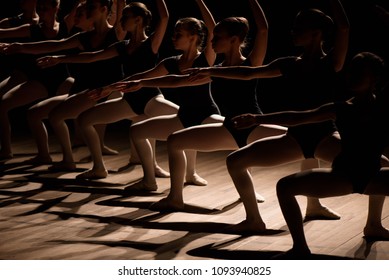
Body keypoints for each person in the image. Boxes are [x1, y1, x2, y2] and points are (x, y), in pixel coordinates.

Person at [184, 0, 350, 229]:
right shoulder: (289, 64)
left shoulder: (332, 62)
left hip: (325, 137)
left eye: (298, 29)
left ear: (316, 33)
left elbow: (343, 27)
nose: (292, 32)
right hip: (294, 139)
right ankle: (254, 220)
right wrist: (210, 69)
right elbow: (249, 74)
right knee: (235, 161)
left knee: (378, 168)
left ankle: (372, 223)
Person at [113, 0, 287, 203]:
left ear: (234, 40)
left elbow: (263, 30)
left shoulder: (252, 64)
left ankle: (313, 203)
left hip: (253, 127)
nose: (211, 40)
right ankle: (175, 197)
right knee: (175, 141)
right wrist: (142, 82)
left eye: (217, 37)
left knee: (303, 140)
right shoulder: (215, 70)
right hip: (230, 127)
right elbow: (178, 81)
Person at [241, 52, 389, 257]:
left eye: (360, 72)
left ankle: (373, 225)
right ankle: (300, 248)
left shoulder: (383, 108)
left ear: (375, 79)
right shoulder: (341, 108)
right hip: (342, 177)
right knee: (284, 186)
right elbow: (299, 118)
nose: (353, 75)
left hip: (373, 177)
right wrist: (257, 118)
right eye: (352, 70)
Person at [79, 0, 218, 185]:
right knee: (136, 130)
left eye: (178, 34)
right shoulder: (170, 62)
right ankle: (147, 178)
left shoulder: (206, 58)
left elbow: (212, 28)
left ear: (193, 37)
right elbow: (140, 77)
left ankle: (190, 174)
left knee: (204, 133)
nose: (173, 37)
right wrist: (109, 88)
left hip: (203, 113)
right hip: (159, 108)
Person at [0, 0, 126, 165]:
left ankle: (87, 161)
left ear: (104, 10)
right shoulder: (83, 37)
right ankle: (66, 159)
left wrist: (60, 59)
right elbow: (54, 45)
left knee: (62, 117)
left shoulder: (116, 34)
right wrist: (20, 47)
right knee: (35, 113)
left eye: (91, 7)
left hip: (103, 91)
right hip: (82, 90)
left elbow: (91, 57)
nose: (87, 10)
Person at [0, 0, 73, 160]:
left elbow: (83, 7)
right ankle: (43, 155)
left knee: (72, 112)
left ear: (56, 8)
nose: (41, 11)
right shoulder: (31, 29)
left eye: (45, 8)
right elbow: (3, 33)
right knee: (5, 105)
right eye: (39, 8)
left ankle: (74, 155)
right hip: (40, 81)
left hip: (62, 80)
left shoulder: (66, 25)